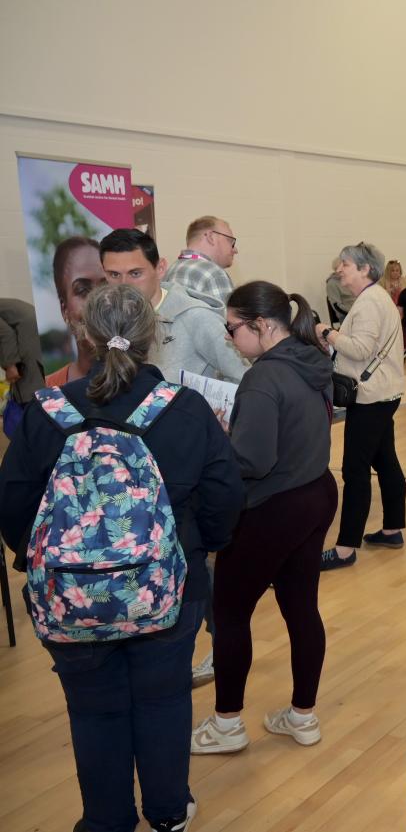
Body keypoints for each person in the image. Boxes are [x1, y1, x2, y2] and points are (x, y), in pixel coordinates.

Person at [0, 283, 243, 832]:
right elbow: (226, 496)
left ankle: (107, 820)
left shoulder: (46, 413)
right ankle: (168, 814)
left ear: (84, 334)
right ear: (152, 336)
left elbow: (12, 505)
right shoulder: (185, 408)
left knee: (93, 711)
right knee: (164, 700)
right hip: (169, 589)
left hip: (70, 596)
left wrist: (48, 561)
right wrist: (200, 546)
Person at [191, 281, 338, 755]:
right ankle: (303, 716)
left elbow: (252, 461)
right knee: (301, 607)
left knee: (230, 613)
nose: (229, 336)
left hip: (273, 507)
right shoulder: (312, 358)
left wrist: (217, 440)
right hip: (315, 493)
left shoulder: (262, 379)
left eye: (232, 327)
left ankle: (227, 724)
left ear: (261, 325)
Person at [316, 242, 406, 570]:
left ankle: (345, 548)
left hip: (369, 397)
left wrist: (327, 332)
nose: (339, 269)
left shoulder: (369, 302)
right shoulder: (376, 298)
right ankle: (392, 529)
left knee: (355, 471)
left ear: (365, 269)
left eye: (345, 264)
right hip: (383, 393)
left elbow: (359, 349)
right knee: (385, 460)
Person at [99, 229, 249, 384]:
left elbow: (246, 378)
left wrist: (205, 401)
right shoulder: (106, 322)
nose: (124, 284)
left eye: (135, 273)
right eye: (114, 275)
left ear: (160, 269)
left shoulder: (197, 318)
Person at [46, 236, 107, 387]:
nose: (97, 301)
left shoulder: (147, 384)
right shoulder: (48, 390)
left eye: (106, 288)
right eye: (82, 290)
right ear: (64, 309)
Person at [167, 215, 238, 310]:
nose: (235, 250)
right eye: (230, 241)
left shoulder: (170, 271)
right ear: (211, 237)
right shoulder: (214, 274)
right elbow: (227, 319)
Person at [0, 298, 47, 435]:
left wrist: (10, 365)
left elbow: (6, 335)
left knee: (28, 391)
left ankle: (33, 434)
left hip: (26, 335)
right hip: (30, 331)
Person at [324, 256, 355, 326]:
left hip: (357, 313)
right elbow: (337, 306)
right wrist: (353, 312)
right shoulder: (332, 284)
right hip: (346, 317)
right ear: (336, 270)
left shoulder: (349, 280)